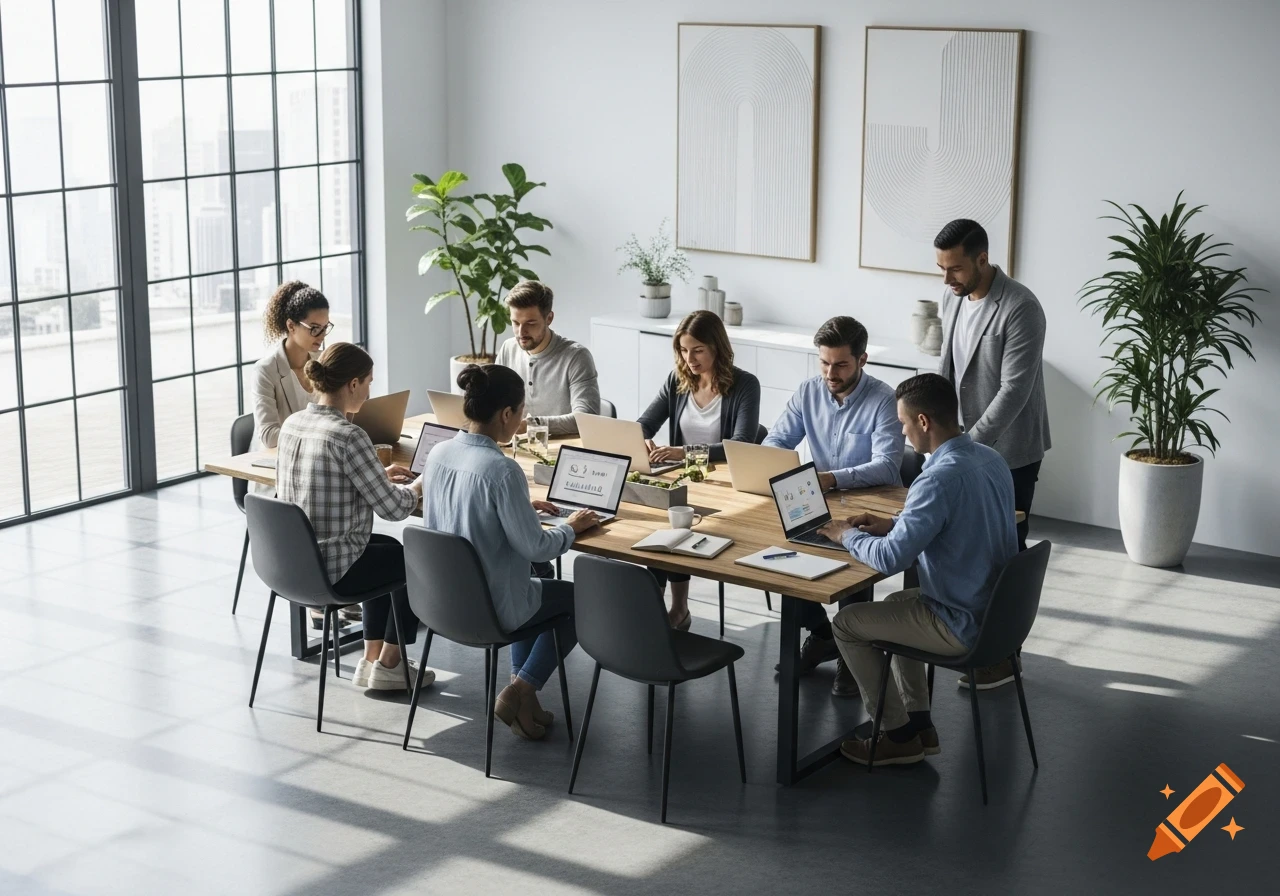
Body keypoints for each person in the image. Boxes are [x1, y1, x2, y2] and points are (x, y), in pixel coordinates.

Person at [816, 373, 1017, 766]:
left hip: (959, 622)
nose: (903, 433)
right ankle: (919, 723)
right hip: (996, 616)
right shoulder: (990, 459)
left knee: (846, 624)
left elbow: (891, 559)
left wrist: (845, 535)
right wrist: (892, 523)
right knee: (897, 601)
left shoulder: (936, 479)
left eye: (904, 424)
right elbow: (956, 521)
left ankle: (896, 734)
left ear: (923, 421)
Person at [424, 364, 599, 741]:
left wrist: (520, 506)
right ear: (506, 414)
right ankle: (519, 690)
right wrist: (573, 526)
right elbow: (536, 546)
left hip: (442, 602)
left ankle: (526, 699)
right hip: (492, 607)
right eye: (521, 413)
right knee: (578, 601)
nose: (522, 421)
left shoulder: (437, 454)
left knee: (536, 583)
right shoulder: (503, 471)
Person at [276, 342, 432, 692]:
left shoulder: (294, 423)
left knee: (385, 550)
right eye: (370, 382)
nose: (370, 390)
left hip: (292, 562)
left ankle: (370, 659)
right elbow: (394, 509)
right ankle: (391, 665)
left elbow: (323, 478)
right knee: (415, 562)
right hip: (332, 569)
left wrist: (376, 475)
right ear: (353, 385)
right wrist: (421, 484)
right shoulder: (349, 435)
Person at [934, 219, 1049, 690]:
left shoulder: (1021, 307)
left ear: (982, 259)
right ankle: (965, 638)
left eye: (955, 268)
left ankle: (1004, 657)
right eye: (941, 268)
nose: (946, 279)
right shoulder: (953, 298)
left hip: (1010, 451)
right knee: (964, 547)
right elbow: (947, 370)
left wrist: (966, 446)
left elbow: (1014, 390)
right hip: (961, 445)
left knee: (1005, 552)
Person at [763, 315, 904, 695]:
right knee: (777, 555)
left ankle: (849, 653)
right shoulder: (808, 391)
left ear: (863, 359)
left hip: (872, 506)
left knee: (851, 564)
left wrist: (830, 478)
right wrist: (773, 465)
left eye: (841, 364)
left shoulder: (883, 399)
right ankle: (824, 634)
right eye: (823, 362)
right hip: (817, 500)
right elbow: (777, 441)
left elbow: (889, 465)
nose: (830, 372)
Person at [637, 310, 760, 630]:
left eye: (697, 350)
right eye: (682, 349)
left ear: (717, 347)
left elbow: (741, 445)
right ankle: (660, 611)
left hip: (723, 484)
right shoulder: (677, 381)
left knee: (671, 524)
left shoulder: (746, 384)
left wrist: (683, 452)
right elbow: (644, 423)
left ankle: (675, 610)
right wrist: (645, 441)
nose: (688, 358)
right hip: (683, 479)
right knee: (656, 527)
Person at [250, 281, 347, 629]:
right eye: (314, 328)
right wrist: (318, 432)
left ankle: (339, 583)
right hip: (277, 475)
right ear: (291, 326)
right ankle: (319, 592)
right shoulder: (266, 371)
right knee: (332, 498)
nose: (322, 336)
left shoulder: (322, 364)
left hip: (317, 467)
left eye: (326, 328)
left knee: (346, 498)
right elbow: (268, 437)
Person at [495, 280, 601, 437]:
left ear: (549, 318)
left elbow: (585, 419)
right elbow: (493, 404)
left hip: (560, 452)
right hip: (515, 448)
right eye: (515, 323)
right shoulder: (508, 348)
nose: (521, 332)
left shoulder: (576, 357)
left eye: (530, 323)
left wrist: (530, 425)